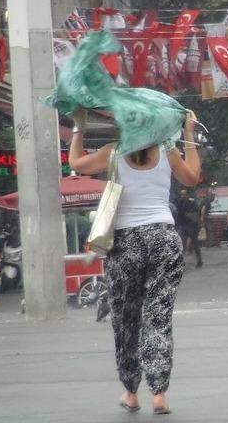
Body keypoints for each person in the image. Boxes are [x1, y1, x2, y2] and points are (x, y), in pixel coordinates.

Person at [69, 108, 201, 415]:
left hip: (126, 242)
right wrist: (190, 134)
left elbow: (76, 163)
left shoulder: (113, 152)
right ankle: (159, 395)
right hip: (164, 238)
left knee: (126, 319)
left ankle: (131, 391)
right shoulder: (168, 150)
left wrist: (79, 127)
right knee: (159, 317)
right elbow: (192, 177)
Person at [174, 189, 203, 267]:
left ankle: (199, 261)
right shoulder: (181, 202)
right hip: (185, 225)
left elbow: (197, 212)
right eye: (181, 194)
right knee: (183, 244)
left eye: (184, 194)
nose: (182, 196)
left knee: (193, 243)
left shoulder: (190, 202)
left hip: (190, 226)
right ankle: (182, 262)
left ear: (187, 195)